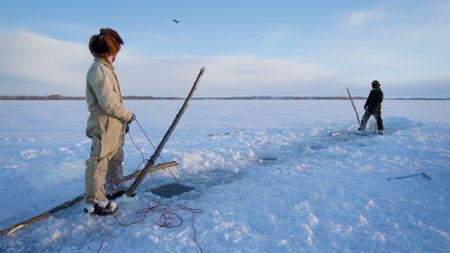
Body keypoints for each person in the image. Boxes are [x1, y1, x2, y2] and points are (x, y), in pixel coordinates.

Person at [84, 28, 135, 215]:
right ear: (110, 50)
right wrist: (127, 115)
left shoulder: (106, 68)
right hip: (103, 123)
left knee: (115, 157)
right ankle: (95, 200)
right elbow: (109, 102)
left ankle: (114, 187)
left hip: (114, 124)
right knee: (99, 161)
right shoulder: (99, 70)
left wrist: (122, 120)